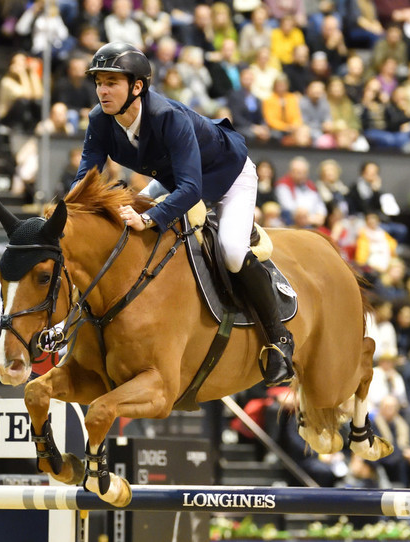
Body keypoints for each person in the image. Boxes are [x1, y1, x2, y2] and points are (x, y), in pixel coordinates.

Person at [73, 42, 294, 386]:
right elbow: (87, 174)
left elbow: (192, 190)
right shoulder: (100, 120)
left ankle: (279, 339)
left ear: (137, 87)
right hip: (176, 177)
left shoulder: (167, 117)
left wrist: (148, 218)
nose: (102, 90)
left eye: (111, 82)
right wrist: (65, 212)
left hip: (228, 176)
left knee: (232, 252)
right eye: (99, 82)